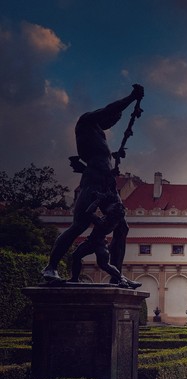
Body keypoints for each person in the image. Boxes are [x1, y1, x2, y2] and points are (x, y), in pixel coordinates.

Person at [42, 84, 144, 287]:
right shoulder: (86, 121)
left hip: (108, 183)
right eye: (113, 119)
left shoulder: (101, 135)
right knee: (79, 225)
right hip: (92, 183)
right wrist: (132, 98)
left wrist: (113, 160)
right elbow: (109, 110)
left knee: (122, 227)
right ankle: (51, 267)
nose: (114, 122)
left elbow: (99, 156)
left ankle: (117, 277)